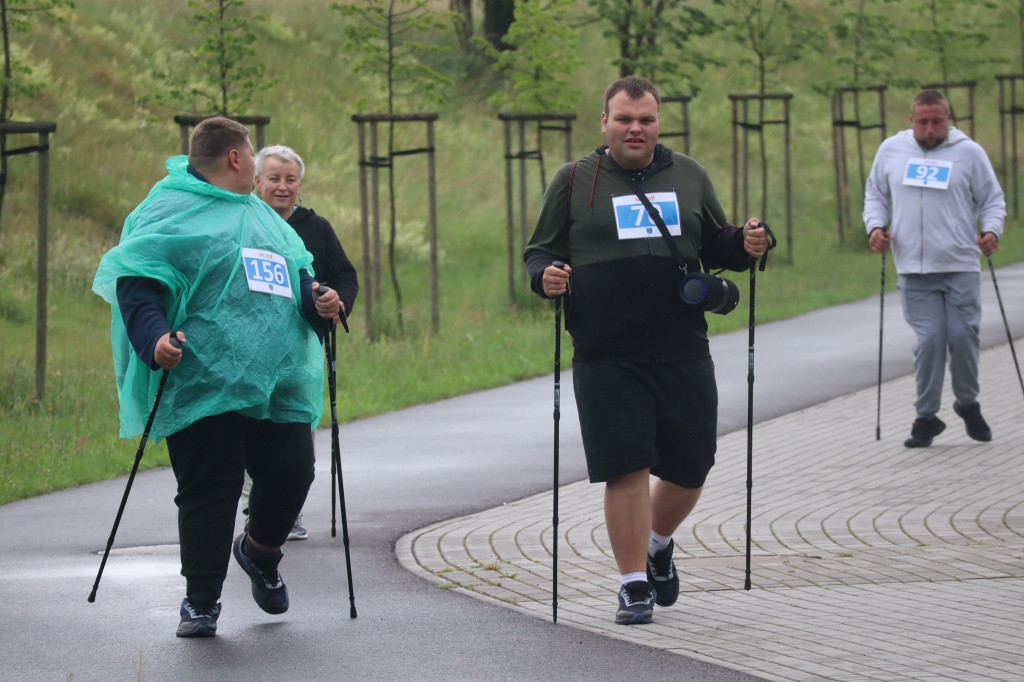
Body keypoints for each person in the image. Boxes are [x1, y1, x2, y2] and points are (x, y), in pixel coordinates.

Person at [523, 76, 769, 625]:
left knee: (691, 466)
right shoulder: (572, 182)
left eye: (647, 119)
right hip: (606, 349)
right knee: (625, 466)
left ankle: (659, 544)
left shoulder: (688, 174)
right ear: (604, 122)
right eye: (625, 118)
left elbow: (717, 243)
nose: (636, 129)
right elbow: (539, 253)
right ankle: (633, 583)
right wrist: (548, 279)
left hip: (681, 344)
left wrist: (748, 243)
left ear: (659, 122)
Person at [92, 117, 342, 638]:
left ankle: (260, 551)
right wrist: (154, 338)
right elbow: (139, 282)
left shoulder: (263, 216)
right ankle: (200, 601)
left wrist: (318, 299)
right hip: (200, 378)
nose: (255, 162)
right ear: (235, 158)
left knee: (292, 473)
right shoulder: (168, 210)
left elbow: (293, 276)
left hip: (277, 382)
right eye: (251, 152)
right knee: (211, 487)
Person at [864, 89, 1005, 448]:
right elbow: (876, 195)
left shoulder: (969, 153)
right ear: (911, 121)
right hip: (914, 268)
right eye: (922, 121)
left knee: (961, 337)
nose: (929, 129)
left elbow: (992, 199)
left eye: (937, 121)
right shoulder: (892, 150)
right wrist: (875, 228)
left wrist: (991, 232)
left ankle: (967, 403)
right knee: (929, 341)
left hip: (959, 264)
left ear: (949, 119)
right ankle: (926, 417)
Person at [236, 144, 360, 541]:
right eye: (273, 178)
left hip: (300, 349)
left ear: (300, 186)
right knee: (248, 422)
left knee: (293, 425)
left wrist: (336, 301)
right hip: (248, 348)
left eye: (290, 180)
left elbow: (345, 277)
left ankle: (285, 508)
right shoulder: (240, 223)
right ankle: (253, 504)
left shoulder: (316, 228)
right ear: (256, 182)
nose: (282, 187)